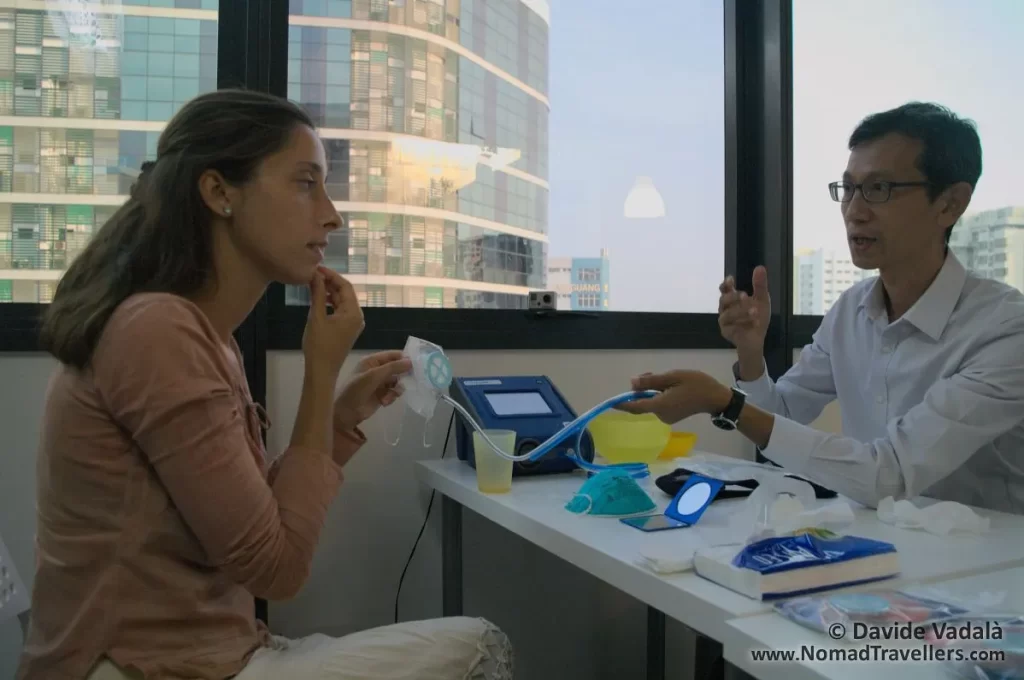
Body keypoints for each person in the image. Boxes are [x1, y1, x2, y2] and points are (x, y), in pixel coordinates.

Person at [17, 89, 512, 680]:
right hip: (136, 665)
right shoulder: (158, 332)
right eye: (307, 183)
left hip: (209, 651)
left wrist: (337, 421)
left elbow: (251, 524)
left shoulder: (205, 337)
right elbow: (275, 568)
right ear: (219, 192)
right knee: (478, 647)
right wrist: (320, 367)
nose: (332, 214)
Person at [621, 102, 1024, 514]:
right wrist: (750, 354)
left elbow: (890, 474)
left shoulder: (1005, 330)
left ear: (950, 203)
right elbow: (781, 416)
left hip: (984, 565)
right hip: (878, 545)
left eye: (879, 189)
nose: (854, 210)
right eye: (848, 189)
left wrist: (725, 403)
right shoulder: (851, 310)